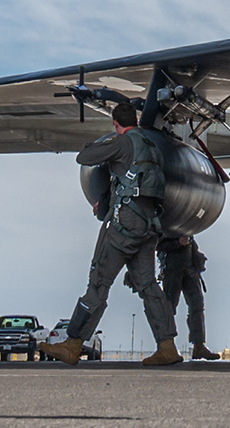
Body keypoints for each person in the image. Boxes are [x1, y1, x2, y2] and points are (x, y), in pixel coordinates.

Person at [39, 101, 181, 367]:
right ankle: (167, 346)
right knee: (149, 286)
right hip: (149, 225)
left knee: (98, 284)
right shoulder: (151, 146)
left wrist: (101, 145)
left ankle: (72, 345)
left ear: (116, 124)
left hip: (124, 226)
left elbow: (84, 158)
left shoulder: (122, 142)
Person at [160, 233, 217, 361]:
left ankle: (199, 346)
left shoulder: (186, 227)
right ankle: (166, 345)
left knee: (197, 306)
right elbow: (159, 245)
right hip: (173, 270)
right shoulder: (168, 225)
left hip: (189, 269)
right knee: (169, 307)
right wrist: (178, 243)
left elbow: (191, 244)